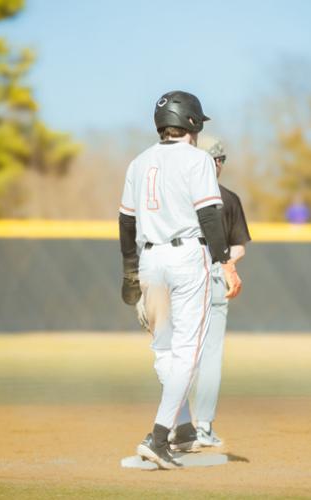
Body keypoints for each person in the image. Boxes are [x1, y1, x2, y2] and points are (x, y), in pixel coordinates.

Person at [119, 91, 242, 470]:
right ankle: (159, 436)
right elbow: (208, 215)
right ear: (190, 123)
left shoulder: (139, 162)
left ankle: (183, 427)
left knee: (163, 349)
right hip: (188, 256)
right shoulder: (197, 159)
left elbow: (126, 222)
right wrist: (224, 262)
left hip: (150, 259)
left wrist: (129, 270)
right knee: (189, 350)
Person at [192, 137, 251, 447]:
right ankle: (202, 427)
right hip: (213, 273)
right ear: (213, 162)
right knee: (210, 354)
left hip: (180, 273)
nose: (221, 164)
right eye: (220, 158)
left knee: (180, 352)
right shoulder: (227, 198)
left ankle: (175, 425)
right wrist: (227, 262)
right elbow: (238, 246)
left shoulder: (180, 196)